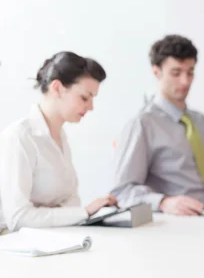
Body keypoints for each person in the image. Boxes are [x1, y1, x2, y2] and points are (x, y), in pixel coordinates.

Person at [111, 34, 204, 216]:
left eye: (190, 72)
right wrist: (163, 202)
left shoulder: (200, 122)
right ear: (157, 72)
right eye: (176, 73)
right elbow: (122, 192)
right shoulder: (143, 124)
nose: (185, 81)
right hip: (179, 222)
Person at [0, 52, 117, 232]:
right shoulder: (20, 136)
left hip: (56, 239)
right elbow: (17, 218)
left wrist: (89, 210)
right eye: (85, 98)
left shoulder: (61, 137)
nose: (91, 107)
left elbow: (71, 200)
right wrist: (84, 211)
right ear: (57, 88)